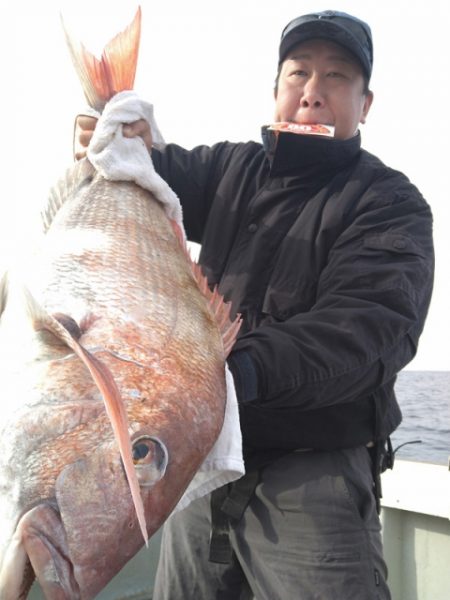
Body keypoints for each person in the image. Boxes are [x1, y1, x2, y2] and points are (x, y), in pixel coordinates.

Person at [75, 10, 434, 600]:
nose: (313, 93)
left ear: (365, 104)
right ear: (275, 92)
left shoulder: (389, 202)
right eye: (298, 74)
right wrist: (111, 142)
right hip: (202, 461)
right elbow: (146, 176)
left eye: (337, 77)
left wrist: (228, 372)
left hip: (311, 472)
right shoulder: (231, 167)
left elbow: (369, 332)